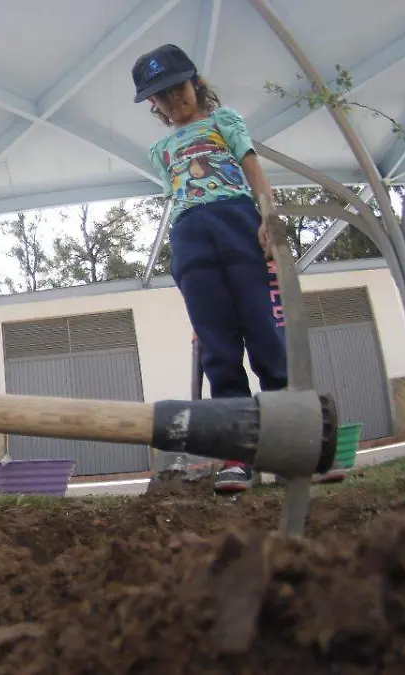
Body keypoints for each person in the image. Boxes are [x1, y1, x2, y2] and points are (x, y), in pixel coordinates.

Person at [132, 44, 287, 494]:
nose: (173, 100)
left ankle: (284, 447)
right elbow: (177, 195)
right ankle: (238, 456)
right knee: (218, 348)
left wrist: (268, 218)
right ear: (153, 104)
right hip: (190, 237)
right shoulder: (160, 150)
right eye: (161, 96)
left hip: (238, 222)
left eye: (178, 88)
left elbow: (253, 170)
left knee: (264, 334)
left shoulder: (225, 121)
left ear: (194, 82)